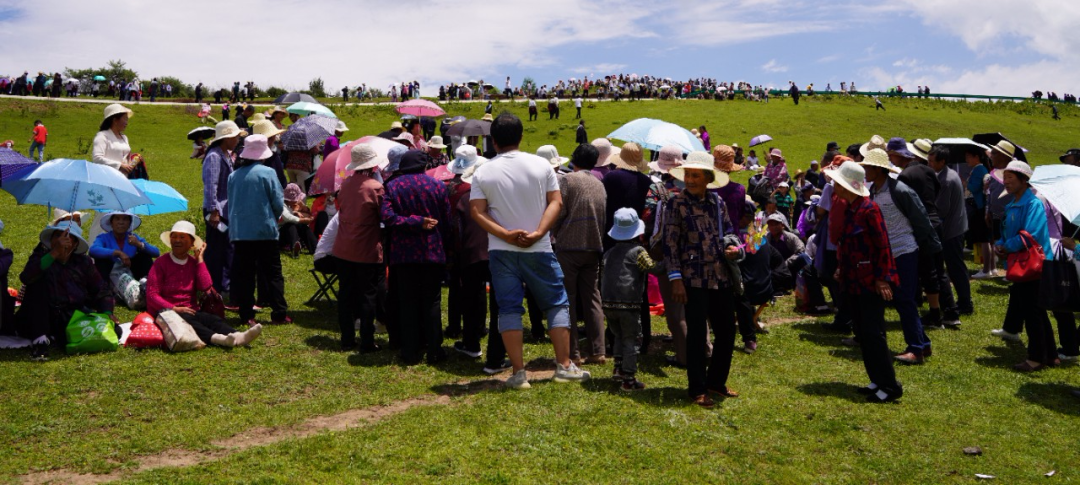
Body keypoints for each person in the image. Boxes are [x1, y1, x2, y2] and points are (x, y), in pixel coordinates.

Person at [469, 113, 591, 389]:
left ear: (494, 140)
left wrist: (505, 234)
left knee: (509, 307)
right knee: (556, 303)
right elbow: (555, 203)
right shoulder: (541, 165)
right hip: (539, 247)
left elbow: (477, 211)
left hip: (502, 250)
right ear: (521, 136)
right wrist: (539, 232)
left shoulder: (483, 170)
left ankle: (518, 372)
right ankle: (563, 365)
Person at [664, 151, 743, 408]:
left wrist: (734, 248)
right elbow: (670, 244)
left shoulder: (717, 203)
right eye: (688, 174)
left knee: (727, 331)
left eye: (696, 175)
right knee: (697, 336)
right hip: (692, 279)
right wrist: (675, 278)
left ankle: (716, 382)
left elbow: (730, 232)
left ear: (708, 177)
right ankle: (696, 388)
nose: (690, 179)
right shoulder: (676, 204)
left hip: (720, 277)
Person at [829, 161, 903, 402]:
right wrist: (842, 267)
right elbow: (850, 245)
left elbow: (883, 246)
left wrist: (883, 278)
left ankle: (889, 387)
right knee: (863, 332)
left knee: (873, 334)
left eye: (838, 183)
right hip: (854, 282)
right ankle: (876, 380)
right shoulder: (852, 208)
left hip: (870, 283)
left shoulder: (870, 210)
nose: (834, 186)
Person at [861, 149, 938, 365]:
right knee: (902, 300)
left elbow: (921, 219)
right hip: (888, 253)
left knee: (905, 300)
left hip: (904, 250)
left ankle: (916, 350)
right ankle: (923, 343)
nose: (865, 170)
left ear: (878, 169)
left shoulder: (901, 191)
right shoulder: (874, 190)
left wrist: (925, 247)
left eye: (867, 167)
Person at [380, 150, 451, 365]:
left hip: (402, 253)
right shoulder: (437, 186)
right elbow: (446, 221)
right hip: (432, 251)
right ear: (424, 165)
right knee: (432, 301)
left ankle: (410, 351)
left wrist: (411, 221)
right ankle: (434, 350)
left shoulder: (392, 186)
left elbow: (387, 217)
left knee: (407, 301)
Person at [147, 221, 262, 349]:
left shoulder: (192, 263)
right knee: (190, 321)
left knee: (212, 320)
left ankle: (238, 335)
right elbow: (152, 295)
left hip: (191, 310)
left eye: (182, 237)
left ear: (191, 244)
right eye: (174, 237)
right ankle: (219, 339)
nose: (177, 240)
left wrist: (200, 260)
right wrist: (174, 308)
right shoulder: (160, 263)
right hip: (168, 312)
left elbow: (206, 286)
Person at [18, 222, 114, 361]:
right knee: (38, 281)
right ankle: (40, 341)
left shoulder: (83, 262)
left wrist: (107, 312)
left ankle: (56, 336)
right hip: (39, 315)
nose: (62, 240)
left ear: (75, 244)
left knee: (113, 330)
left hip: (69, 315)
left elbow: (101, 288)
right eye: (57, 236)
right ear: (51, 241)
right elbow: (26, 277)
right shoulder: (41, 256)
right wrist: (55, 252)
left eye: (68, 237)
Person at [994, 161, 1057, 371]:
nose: (1007, 182)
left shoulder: (1033, 204)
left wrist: (1008, 246)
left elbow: (1032, 235)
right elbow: (1006, 233)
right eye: (1005, 177)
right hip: (1019, 263)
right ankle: (1051, 355)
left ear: (1024, 180)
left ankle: (1036, 358)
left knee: (1032, 312)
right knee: (1035, 310)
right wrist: (1001, 244)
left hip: (1034, 266)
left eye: (1011, 178)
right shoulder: (1012, 204)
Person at [552, 144, 607, 365]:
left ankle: (573, 352)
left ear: (574, 160)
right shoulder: (599, 184)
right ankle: (598, 350)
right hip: (594, 246)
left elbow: (558, 211)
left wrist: (555, 232)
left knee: (569, 300)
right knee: (592, 298)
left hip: (569, 247)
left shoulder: (567, 180)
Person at [227, 134, 289, 326]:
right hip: (265, 231)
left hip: (241, 232)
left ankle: (246, 314)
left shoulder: (233, 175)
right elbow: (278, 203)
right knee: (273, 273)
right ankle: (279, 312)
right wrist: (275, 216)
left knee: (245, 274)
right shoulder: (268, 173)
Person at [334, 144, 388, 352]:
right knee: (368, 295)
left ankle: (347, 338)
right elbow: (384, 215)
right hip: (366, 247)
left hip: (343, 246)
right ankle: (367, 339)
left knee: (346, 294)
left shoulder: (346, 184)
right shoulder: (375, 187)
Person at [603, 208, 661, 391]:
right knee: (631, 339)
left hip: (608, 303)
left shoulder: (609, 253)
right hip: (628, 304)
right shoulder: (638, 252)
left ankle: (618, 368)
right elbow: (653, 268)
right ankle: (629, 378)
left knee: (618, 335)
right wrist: (670, 263)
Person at [927, 145, 973, 315]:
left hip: (952, 230)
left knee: (955, 267)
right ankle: (964, 301)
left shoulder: (945, 180)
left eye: (932, 161)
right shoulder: (947, 174)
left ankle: (965, 303)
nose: (929, 164)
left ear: (942, 162)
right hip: (956, 226)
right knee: (956, 266)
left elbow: (941, 209)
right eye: (928, 160)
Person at [202, 121, 242, 296]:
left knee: (226, 248)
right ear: (226, 138)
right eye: (235, 136)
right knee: (217, 250)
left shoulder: (224, 154)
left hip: (224, 210)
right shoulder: (214, 157)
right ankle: (216, 285)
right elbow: (211, 185)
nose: (238, 140)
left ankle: (223, 283)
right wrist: (213, 211)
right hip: (217, 212)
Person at [88, 211, 160, 309]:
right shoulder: (103, 237)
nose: (121, 222)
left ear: (130, 223)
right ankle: (106, 293)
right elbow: (93, 250)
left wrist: (139, 244)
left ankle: (146, 287)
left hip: (130, 273)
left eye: (125, 219)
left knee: (144, 256)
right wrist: (117, 253)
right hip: (111, 275)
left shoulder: (133, 238)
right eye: (117, 219)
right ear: (111, 222)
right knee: (102, 261)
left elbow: (156, 252)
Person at [965, 145, 994, 279]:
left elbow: (974, 187)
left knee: (984, 240)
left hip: (979, 206)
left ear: (976, 157)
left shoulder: (978, 169)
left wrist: (965, 183)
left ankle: (986, 269)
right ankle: (991, 268)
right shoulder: (981, 169)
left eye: (968, 157)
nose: (967, 160)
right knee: (987, 240)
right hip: (982, 206)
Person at [280, 183, 318, 256]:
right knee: (290, 225)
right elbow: (287, 218)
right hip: (279, 234)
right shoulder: (281, 204)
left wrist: (301, 209)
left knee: (301, 226)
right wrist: (302, 220)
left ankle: (315, 247)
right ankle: (294, 248)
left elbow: (307, 213)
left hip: (288, 233)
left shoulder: (291, 205)